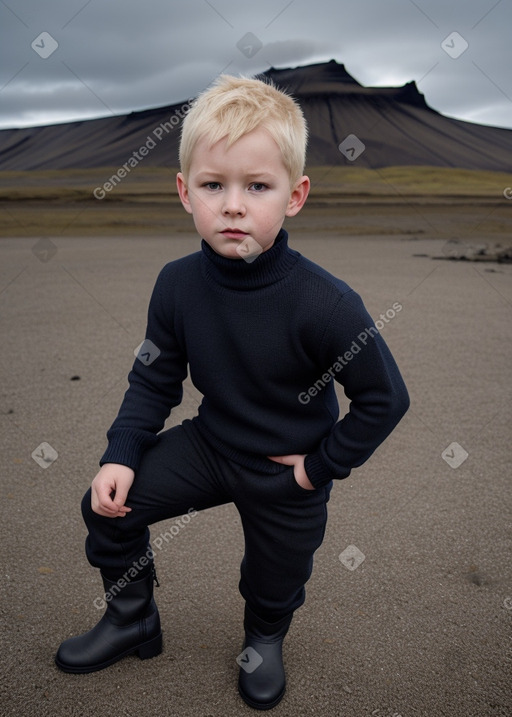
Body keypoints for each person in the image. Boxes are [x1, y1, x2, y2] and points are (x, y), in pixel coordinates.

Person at [55, 74, 409, 710]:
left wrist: (318, 470)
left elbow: (386, 399)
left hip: (286, 468)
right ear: (184, 192)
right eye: (214, 185)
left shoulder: (325, 303)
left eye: (257, 186)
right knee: (107, 507)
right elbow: (154, 379)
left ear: (294, 196)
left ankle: (264, 638)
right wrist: (121, 453)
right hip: (212, 445)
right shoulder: (177, 285)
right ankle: (132, 619)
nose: (234, 205)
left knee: (274, 577)